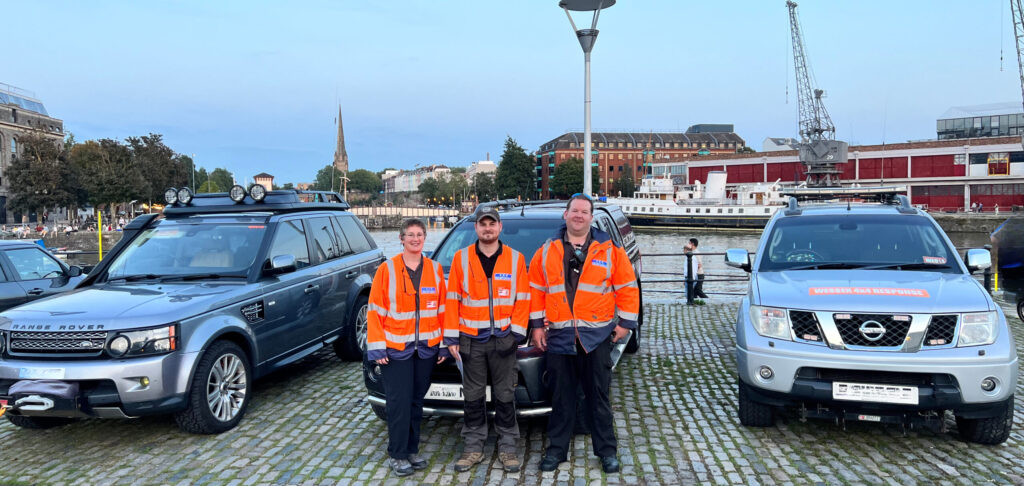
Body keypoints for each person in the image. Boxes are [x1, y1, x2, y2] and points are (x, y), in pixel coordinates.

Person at [529, 194, 640, 474]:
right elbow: (536, 292)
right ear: (565, 215)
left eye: (584, 212)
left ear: (591, 217)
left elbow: (627, 287)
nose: (579, 216)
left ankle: (606, 452)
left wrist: (625, 324)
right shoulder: (546, 251)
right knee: (561, 398)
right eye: (574, 211)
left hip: (596, 337)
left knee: (598, 397)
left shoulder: (610, 249)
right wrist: (537, 327)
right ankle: (557, 450)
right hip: (560, 337)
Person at [445, 205, 529, 473]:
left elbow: (523, 299)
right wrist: (451, 337)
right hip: (470, 340)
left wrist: (516, 334)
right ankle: (472, 448)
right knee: (472, 397)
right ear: (476, 228)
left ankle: (508, 448)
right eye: (483, 224)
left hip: (504, 340)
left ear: (500, 227)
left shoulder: (516, 260)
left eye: (492, 223)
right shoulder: (461, 259)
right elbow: (452, 300)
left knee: (505, 396)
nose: (488, 228)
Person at [366, 218, 449, 477]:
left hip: (426, 350)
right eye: (410, 235)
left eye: (419, 234)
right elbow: (375, 311)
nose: (415, 239)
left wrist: (444, 345)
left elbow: (444, 310)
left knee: (415, 402)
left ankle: (412, 450)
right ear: (401, 239)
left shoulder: (435, 270)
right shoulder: (387, 270)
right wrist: (378, 349)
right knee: (398, 403)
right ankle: (398, 454)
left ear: (425, 238)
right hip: (395, 350)